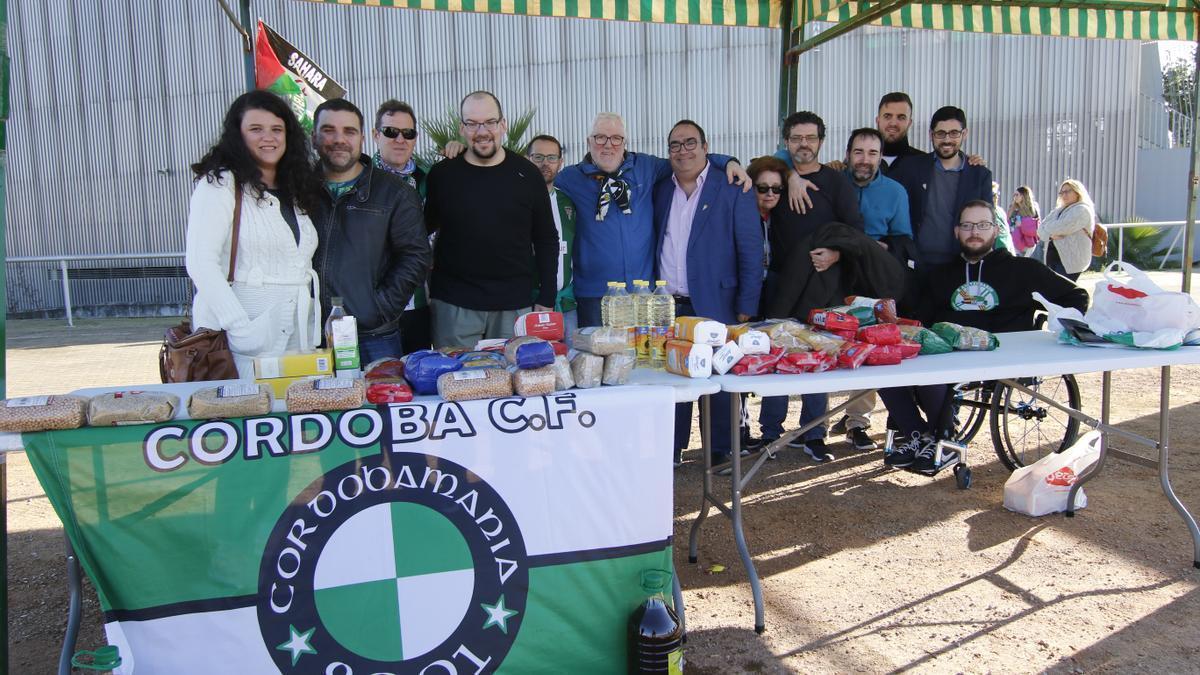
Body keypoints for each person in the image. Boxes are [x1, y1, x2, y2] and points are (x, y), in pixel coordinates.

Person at [879, 200, 1090, 472]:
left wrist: (1060, 324)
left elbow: (1076, 295)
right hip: (950, 353)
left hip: (1002, 355)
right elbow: (922, 316)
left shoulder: (1023, 270)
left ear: (995, 230)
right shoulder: (940, 275)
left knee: (934, 375)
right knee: (887, 366)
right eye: (967, 225)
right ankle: (919, 435)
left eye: (982, 225)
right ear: (956, 232)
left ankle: (943, 438)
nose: (974, 232)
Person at [554, 113, 750, 327]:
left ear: (624, 142)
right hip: (595, 296)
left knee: (643, 358)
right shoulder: (569, 178)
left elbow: (687, 159)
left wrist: (729, 162)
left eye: (616, 138)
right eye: (600, 137)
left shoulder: (645, 167)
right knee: (599, 357)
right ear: (589, 142)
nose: (608, 145)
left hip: (643, 294)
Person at [185, 90, 323, 378]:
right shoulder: (221, 184)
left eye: (277, 129)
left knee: (297, 417)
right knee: (247, 415)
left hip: (298, 336)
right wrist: (238, 326)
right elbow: (201, 262)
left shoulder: (295, 190)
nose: (268, 138)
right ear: (238, 135)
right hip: (241, 340)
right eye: (256, 129)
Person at [654, 120, 763, 468]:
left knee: (719, 378)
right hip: (669, 304)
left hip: (719, 302)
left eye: (691, 143)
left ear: (706, 146)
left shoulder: (731, 186)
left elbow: (750, 249)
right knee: (673, 377)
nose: (683, 151)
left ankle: (718, 449)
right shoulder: (660, 188)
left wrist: (747, 304)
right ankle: (672, 448)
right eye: (675, 145)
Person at [424, 91, 559, 348]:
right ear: (462, 128)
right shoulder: (442, 175)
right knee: (456, 383)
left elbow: (546, 239)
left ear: (503, 124)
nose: (482, 131)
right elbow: (422, 231)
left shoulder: (528, 174)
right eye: (472, 123)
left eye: (489, 122)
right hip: (454, 307)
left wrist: (547, 297)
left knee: (512, 382)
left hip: (514, 306)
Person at [766, 220, 906, 462]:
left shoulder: (839, 201)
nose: (770, 192)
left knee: (820, 363)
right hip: (786, 276)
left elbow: (853, 228)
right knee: (778, 359)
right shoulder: (790, 189)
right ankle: (771, 434)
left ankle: (818, 432)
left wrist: (840, 252)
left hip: (835, 286)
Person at [311, 98, 431, 365]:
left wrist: (379, 308)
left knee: (382, 403)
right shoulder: (298, 189)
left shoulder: (396, 192)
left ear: (362, 138)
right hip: (308, 335)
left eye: (349, 131)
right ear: (314, 137)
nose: (339, 139)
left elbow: (416, 256)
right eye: (329, 130)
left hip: (373, 334)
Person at [830, 128, 914, 451]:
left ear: (881, 157)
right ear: (848, 153)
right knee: (829, 343)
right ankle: (813, 427)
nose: (865, 160)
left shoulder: (895, 192)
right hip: (835, 273)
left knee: (869, 346)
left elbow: (904, 239)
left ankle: (857, 421)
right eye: (859, 152)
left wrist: (884, 247)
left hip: (874, 278)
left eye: (873, 153)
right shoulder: (833, 182)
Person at [889, 105, 994, 269]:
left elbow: (986, 221)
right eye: (940, 133)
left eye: (954, 133)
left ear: (964, 134)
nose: (947, 140)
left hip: (962, 264)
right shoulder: (911, 168)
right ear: (931, 135)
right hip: (915, 264)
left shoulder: (979, 175)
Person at [372, 99, 433, 354]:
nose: (400, 139)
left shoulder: (430, 178)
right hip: (374, 304)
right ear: (376, 135)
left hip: (419, 302)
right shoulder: (361, 178)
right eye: (390, 132)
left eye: (407, 133)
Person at [740, 156, 791, 450]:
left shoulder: (785, 218)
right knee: (743, 362)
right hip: (746, 296)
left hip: (777, 295)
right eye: (763, 188)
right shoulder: (742, 215)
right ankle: (741, 430)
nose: (770, 194)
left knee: (779, 360)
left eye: (776, 189)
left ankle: (772, 430)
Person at [526, 134, 579, 339]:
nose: (545, 164)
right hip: (530, 306)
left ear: (560, 162)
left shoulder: (568, 202)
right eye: (538, 157)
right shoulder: (517, 200)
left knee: (573, 365)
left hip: (566, 305)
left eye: (551, 158)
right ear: (528, 159)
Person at [1038, 178, 1097, 282]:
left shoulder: (1082, 210)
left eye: (1068, 191)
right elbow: (1039, 230)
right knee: (1053, 292)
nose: (1064, 195)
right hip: (1053, 258)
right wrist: (1050, 235)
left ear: (1077, 192)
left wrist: (1047, 228)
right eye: (1061, 192)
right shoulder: (1058, 210)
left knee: (1061, 291)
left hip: (1071, 261)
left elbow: (1063, 227)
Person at [1007, 185, 1042, 257]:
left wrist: (1022, 224)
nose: (1015, 197)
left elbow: (1036, 225)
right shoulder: (1013, 208)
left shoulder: (1033, 208)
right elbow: (1008, 223)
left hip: (1029, 243)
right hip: (1015, 242)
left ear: (1023, 196)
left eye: (1017, 195)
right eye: (1014, 195)